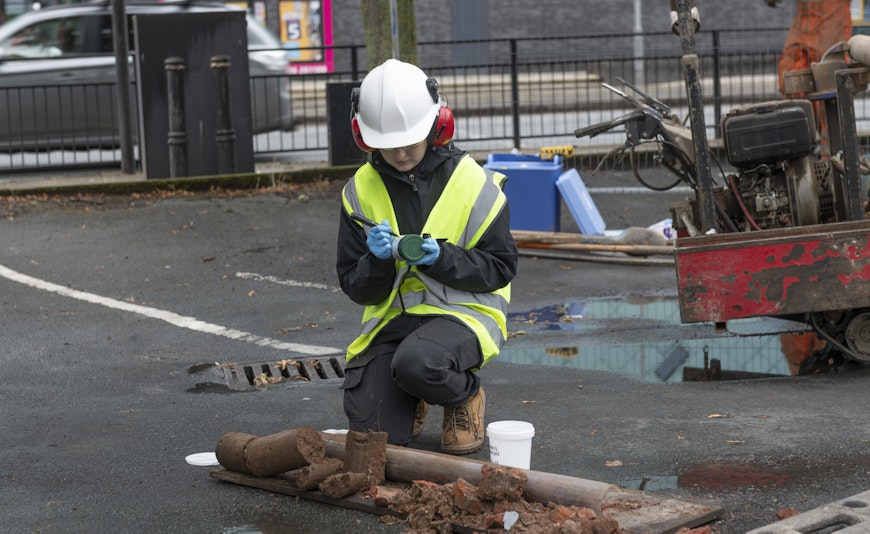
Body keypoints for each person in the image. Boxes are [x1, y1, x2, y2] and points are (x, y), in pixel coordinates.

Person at [336, 59, 518, 455]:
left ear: (438, 126)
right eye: (389, 143)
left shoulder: (475, 183)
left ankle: (463, 396)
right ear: (364, 137)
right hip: (394, 321)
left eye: (411, 141)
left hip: (464, 315)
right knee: (375, 437)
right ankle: (409, 394)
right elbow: (354, 284)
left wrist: (441, 258)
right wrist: (377, 261)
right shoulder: (358, 191)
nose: (401, 153)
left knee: (419, 362)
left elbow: (501, 267)